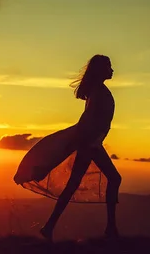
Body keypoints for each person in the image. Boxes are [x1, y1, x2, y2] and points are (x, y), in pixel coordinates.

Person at [39, 54, 122, 242]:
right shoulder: (98, 91)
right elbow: (88, 119)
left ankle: (49, 226)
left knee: (75, 184)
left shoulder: (97, 90)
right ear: (100, 69)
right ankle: (110, 229)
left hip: (92, 143)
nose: (112, 69)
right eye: (109, 66)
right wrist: (90, 142)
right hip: (90, 144)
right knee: (113, 178)